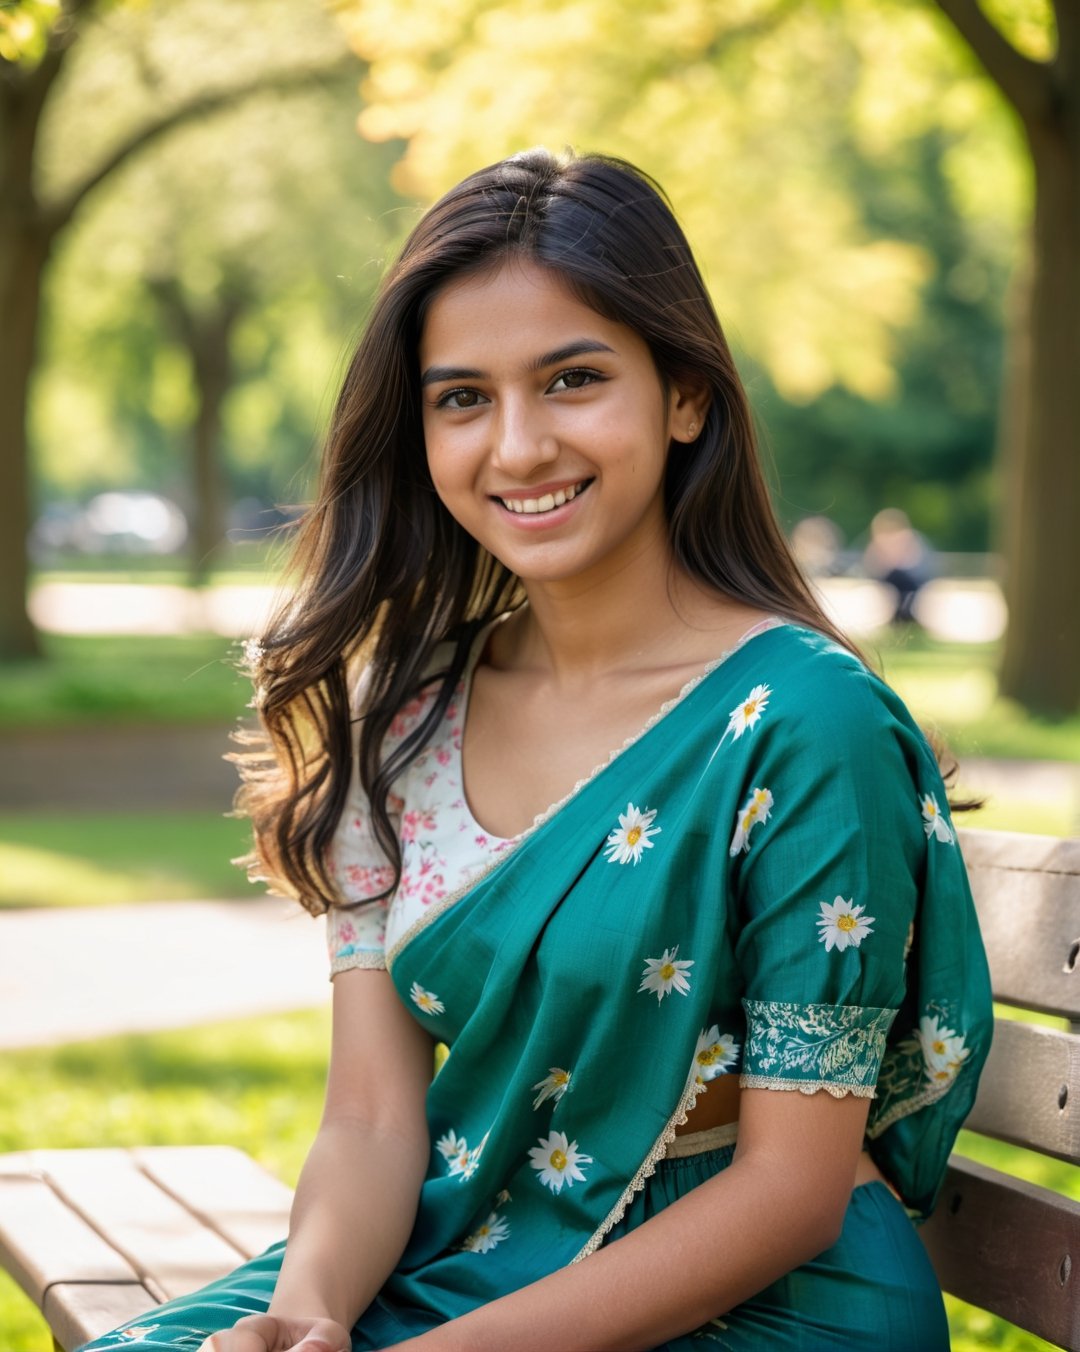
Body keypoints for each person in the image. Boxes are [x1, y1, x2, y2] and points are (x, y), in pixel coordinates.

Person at [79, 149, 992, 1352]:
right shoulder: (402, 716)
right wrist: (304, 1320)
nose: (516, 446)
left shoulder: (801, 723)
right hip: (471, 1248)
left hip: (765, 1303)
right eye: (462, 397)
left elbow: (790, 1192)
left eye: (571, 380)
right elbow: (366, 1116)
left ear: (685, 396)